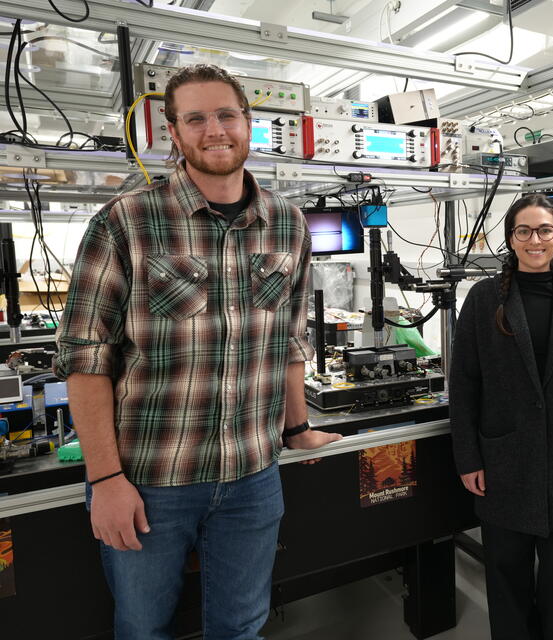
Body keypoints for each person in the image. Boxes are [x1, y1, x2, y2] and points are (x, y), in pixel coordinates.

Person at [54, 64, 341, 639]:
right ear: (174, 132)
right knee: (143, 629)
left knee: (241, 628)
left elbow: (286, 338)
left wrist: (297, 426)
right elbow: (85, 358)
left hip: (252, 476)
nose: (215, 129)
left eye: (227, 114)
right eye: (197, 118)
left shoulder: (286, 223)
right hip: (150, 479)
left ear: (248, 123)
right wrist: (105, 478)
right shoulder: (125, 222)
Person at [449, 193, 553, 640]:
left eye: (544, 230)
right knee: (506, 580)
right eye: (524, 230)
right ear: (511, 239)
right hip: (503, 463)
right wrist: (469, 458)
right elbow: (463, 384)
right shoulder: (483, 300)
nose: (534, 239)